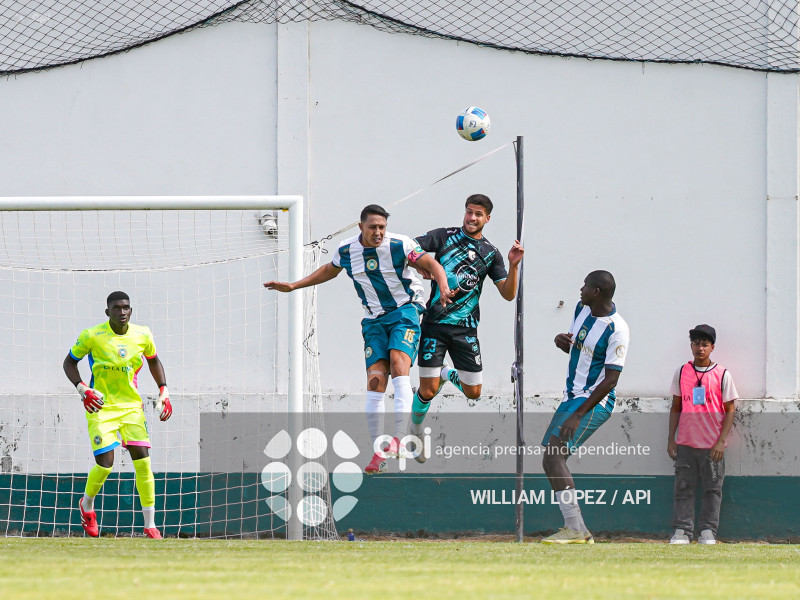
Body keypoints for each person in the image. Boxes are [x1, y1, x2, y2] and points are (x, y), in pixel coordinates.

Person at [264, 204, 452, 474]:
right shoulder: (347, 249)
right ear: (360, 226)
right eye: (373, 227)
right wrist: (294, 285)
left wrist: (442, 287)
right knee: (375, 380)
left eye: (382, 227)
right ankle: (379, 452)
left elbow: (431, 263)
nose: (378, 232)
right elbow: (330, 269)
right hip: (373, 320)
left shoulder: (400, 244)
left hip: (405, 311)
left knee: (399, 364)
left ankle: (398, 438)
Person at [409, 194, 524, 461]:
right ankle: (415, 429)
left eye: (478, 214)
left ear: (488, 218)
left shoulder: (491, 253)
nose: (472, 218)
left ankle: (447, 374)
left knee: (474, 393)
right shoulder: (444, 237)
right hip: (434, 325)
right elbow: (409, 248)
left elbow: (508, 294)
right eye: (469, 212)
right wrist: (423, 266)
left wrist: (514, 265)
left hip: (466, 329)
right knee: (426, 391)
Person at [63, 291, 172, 539]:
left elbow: (154, 360)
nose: (122, 312)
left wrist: (163, 389)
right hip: (100, 407)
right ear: (107, 311)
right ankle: (87, 505)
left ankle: (150, 524)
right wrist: (83, 389)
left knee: (143, 462)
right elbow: (69, 363)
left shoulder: (142, 334)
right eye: (116, 308)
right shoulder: (92, 335)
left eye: (126, 308)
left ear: (130, 310)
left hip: (131, 407)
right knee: (106, 464)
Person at [540, 270, 630, 544]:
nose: (580, 289)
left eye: (585, 286)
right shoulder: (582, 309)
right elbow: (578, 346)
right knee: (550, 458)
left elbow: (611, 380)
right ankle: (578, 530)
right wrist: (561, 341)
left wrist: (579, 414)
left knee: (554, 456)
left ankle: (575, 529)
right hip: (573, 395)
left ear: (597, 292)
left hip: (593, 400)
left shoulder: (618, 329)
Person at [667, 324, 737, 545]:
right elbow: (676, 406)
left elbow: (730, 409)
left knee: (712, 489)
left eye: (705, 344)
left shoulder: (722, 374)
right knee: (683, 488)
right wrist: (671, 439)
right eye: (696, 343)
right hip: (686, 443)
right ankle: (682, 531)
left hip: (711, 446)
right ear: (691, 346)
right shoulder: (682, 372)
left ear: (712, 347)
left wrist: (721, 442)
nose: (700, 348)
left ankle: (708, 531)